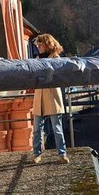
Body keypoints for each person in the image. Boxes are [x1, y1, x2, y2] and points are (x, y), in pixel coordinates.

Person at [32, 34, 69, 164]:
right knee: (37, 129)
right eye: (37, 45)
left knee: (57, 128)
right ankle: (37, 154)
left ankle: (62, 154)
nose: (38, 47)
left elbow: (58, 76)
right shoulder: (36, 59)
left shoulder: (56, 58)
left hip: (52, 95)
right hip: (39, 96)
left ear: (47, 45)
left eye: (40, 44)